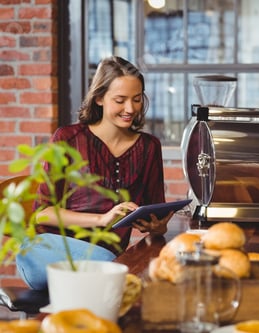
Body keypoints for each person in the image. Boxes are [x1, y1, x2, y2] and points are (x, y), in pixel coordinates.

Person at [16, 56, 171, 290]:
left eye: (137, 99)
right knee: (117, 272)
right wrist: (103, 219)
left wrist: (157, 226)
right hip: (47, 250)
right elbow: (42, 214)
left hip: (108, 259)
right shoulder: (67, 139)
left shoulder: (149, 147)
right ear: (99, 98)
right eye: (120, 100)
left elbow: (156, 214)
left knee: (122, 271)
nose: (130, 109)